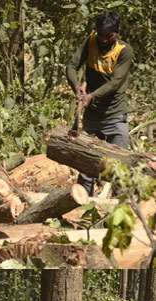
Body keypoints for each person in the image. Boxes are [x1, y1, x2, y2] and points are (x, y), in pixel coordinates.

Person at [66, 11, 133, 195]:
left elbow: (115, 83)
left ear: (117, 33)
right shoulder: (91, 41)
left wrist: (91, 96)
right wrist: (77, 87)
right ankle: (83, 211)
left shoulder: (124, 51)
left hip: (115, 116)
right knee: (87, 168)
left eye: (108, 36)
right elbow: (71, 66)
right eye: (101, 35)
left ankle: (122, 213)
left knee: (120, 169)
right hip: (92, 116)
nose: (103, 40)